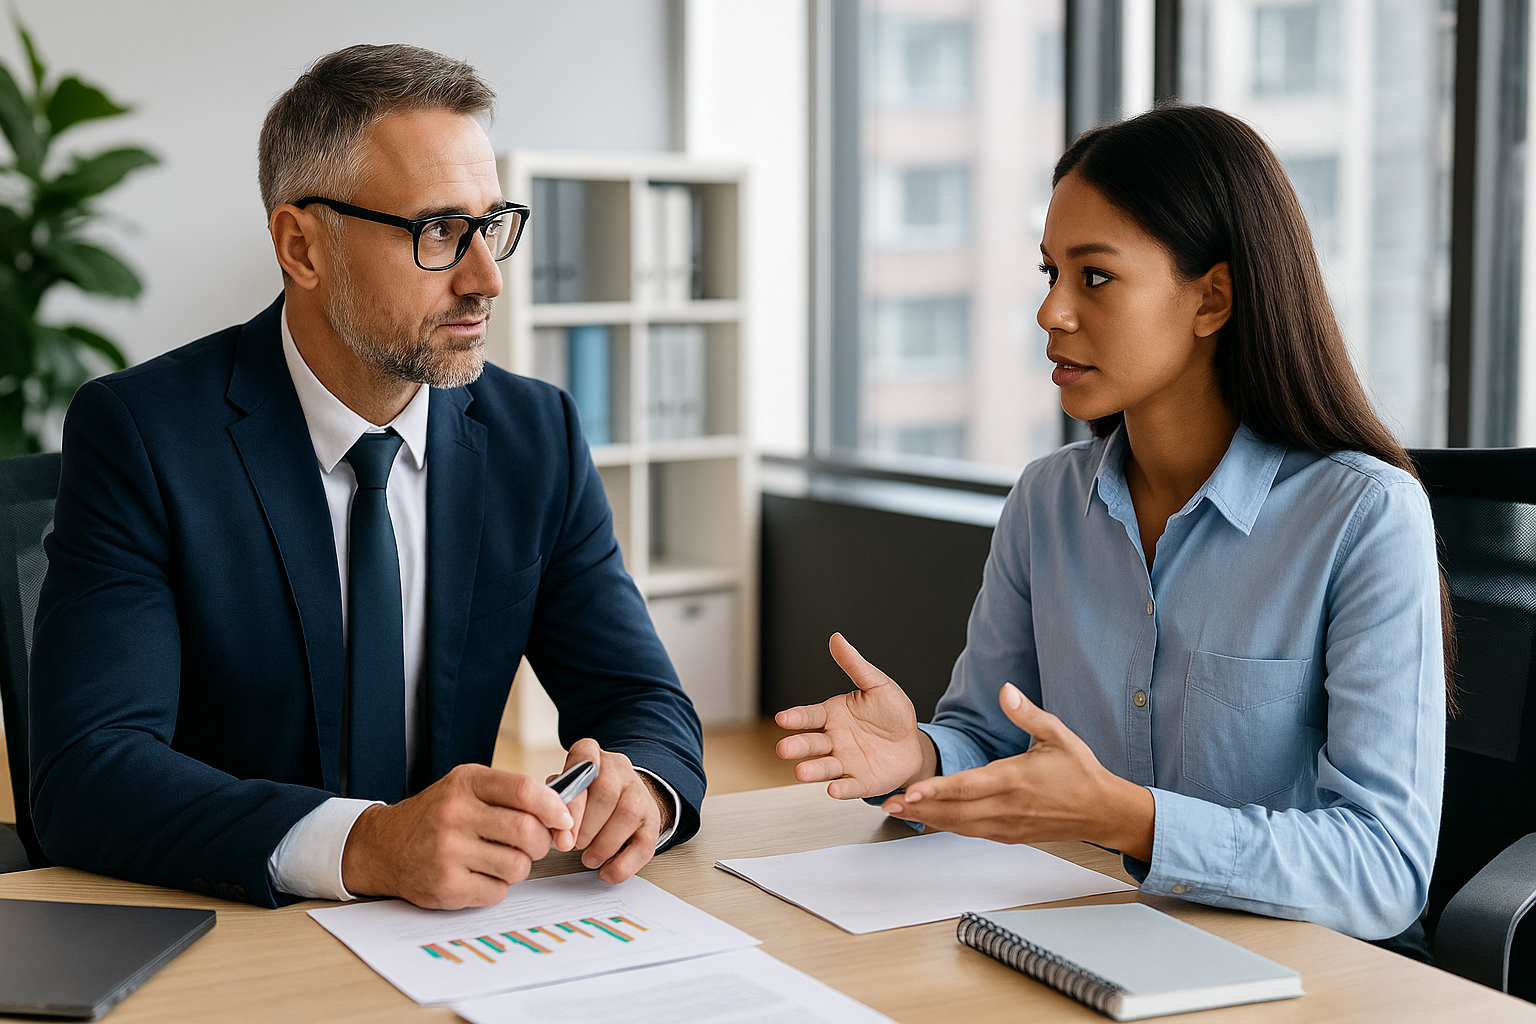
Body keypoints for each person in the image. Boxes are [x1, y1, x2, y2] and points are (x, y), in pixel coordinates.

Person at [27, 44, 705, 911]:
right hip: (229, 930)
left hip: (456, 936)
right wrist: (364, 845)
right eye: (436, 232)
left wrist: (638, 786)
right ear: (301, 246)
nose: (486, 278)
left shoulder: (536, 435)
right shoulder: (144, 436)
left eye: (491, 224)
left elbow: (641, 698)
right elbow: (88, 772)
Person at [775, 105, 1448, 951]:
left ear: (1212, 299)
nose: (1051, 311)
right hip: (1103, 940)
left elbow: (1384, 870)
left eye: (1094, 277)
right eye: (1049, 271)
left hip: (1310, 972)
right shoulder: (1044, 503)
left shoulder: (1365, 517)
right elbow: (988, 737)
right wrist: (917, 757)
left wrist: (1132, 820)